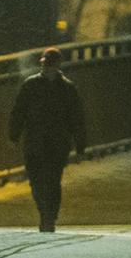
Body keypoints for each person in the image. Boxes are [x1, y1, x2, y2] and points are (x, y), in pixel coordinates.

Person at [9, 46, 86, 232]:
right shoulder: (60, 88)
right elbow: (19, 112)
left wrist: (80, 143)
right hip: (40, 142)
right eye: (46, 65)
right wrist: (14, 133)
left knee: (50, 180)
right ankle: (47, 213)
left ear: (56, 66)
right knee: (38, 180)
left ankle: (48, 215)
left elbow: (76, 118)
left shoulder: (44, 87)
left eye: (49, 65)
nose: (47, 68)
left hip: (51, 142)